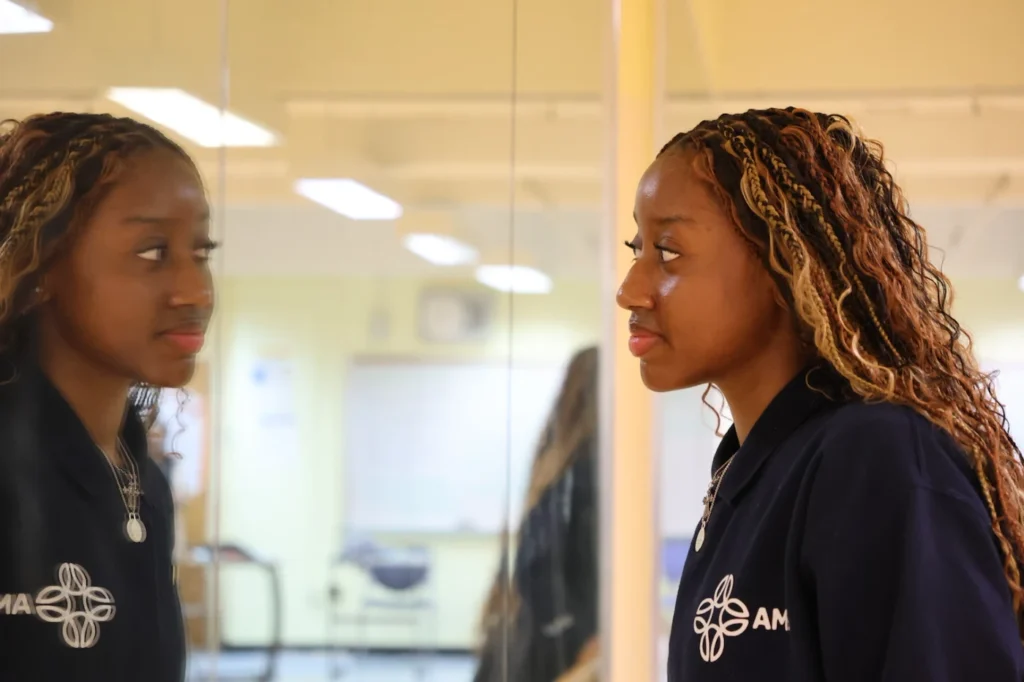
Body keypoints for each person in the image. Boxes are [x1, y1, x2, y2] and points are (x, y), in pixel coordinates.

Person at [618, 107, 1024, 681]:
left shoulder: (878, 457)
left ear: (785, 262)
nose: (629, 289)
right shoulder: (750, 470)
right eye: (637, 249)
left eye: (669, 251)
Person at [0, 112, 215, 681]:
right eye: (151, 252)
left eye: (201, 252)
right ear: (44, 265)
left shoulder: (141, 485)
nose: (197, 290)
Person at [473, 347, 600, 682]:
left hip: (538, 642)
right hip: (556, 653)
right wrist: (584, 637)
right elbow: (537, 567)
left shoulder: (558, 463)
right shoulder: (585, 471)